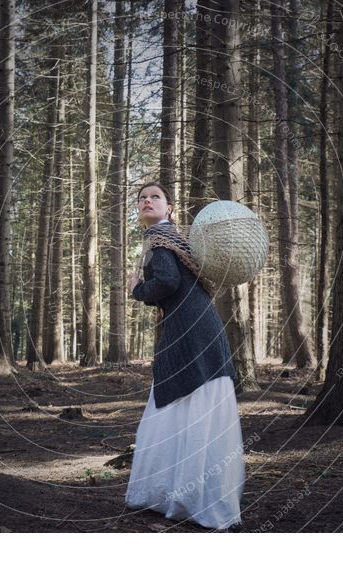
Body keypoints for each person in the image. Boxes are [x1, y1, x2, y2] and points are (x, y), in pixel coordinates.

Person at [124, 182, 245, 530]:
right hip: (199, 327)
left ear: (170, 208)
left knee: (184, 397)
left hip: (191, 331)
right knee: (192, 403)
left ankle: (191, 497)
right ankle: (191, 493)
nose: (147, 201)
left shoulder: (161, 241)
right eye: (142, 198)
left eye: (155, 197)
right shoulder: (173, 239)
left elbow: (166, 283)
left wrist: (136, 289)